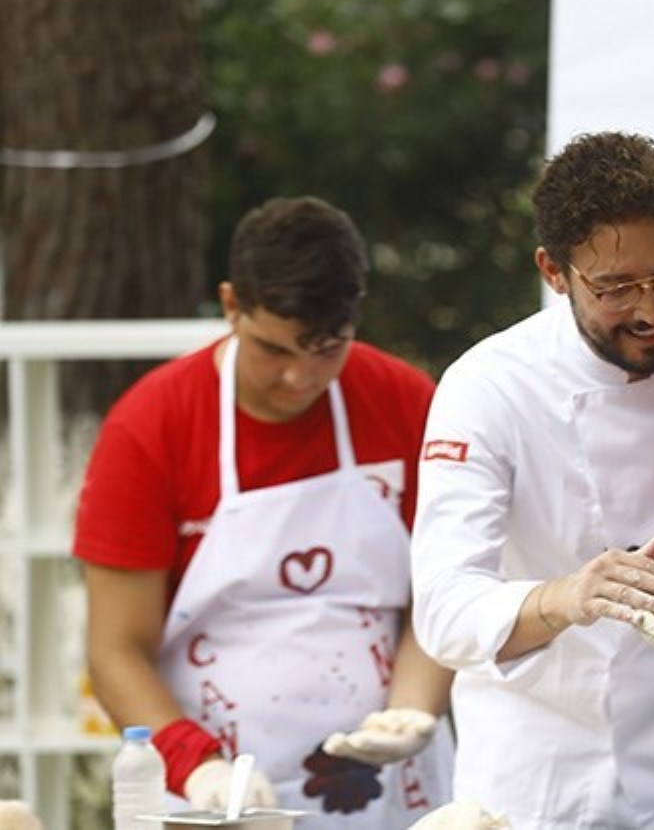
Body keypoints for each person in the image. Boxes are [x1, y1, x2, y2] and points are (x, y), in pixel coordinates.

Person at [408, 131, 654, 829]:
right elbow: (445, 612)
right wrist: (568, 597)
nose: (649, 309)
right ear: (554, 271)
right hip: (537, 788)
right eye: (614, 287)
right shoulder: (489, 387)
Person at [75, 197, 455, 828]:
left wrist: (413, 710)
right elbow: (116, 649)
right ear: (231, 305)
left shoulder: (406, 403)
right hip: (209, 783)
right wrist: (196, 764)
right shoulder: (151, 427)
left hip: (384, 780)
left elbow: (441, 592)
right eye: (274, 350)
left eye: (327, 348)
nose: (300, 378)